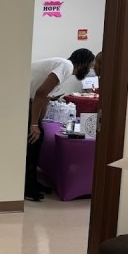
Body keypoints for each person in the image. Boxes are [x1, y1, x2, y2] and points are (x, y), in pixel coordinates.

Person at [25, 49, 95, 201]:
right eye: (89, 66)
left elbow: (46, 98)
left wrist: (39, 124)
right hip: (23, 99)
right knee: (32, 142)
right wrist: (34, 125)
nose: (89, 70)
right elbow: (40, 93)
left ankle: (32, 182)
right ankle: (27, 187)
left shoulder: (64, 69)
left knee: (38, 137)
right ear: (82, 62)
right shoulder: (66, 66)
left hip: (29, 101)